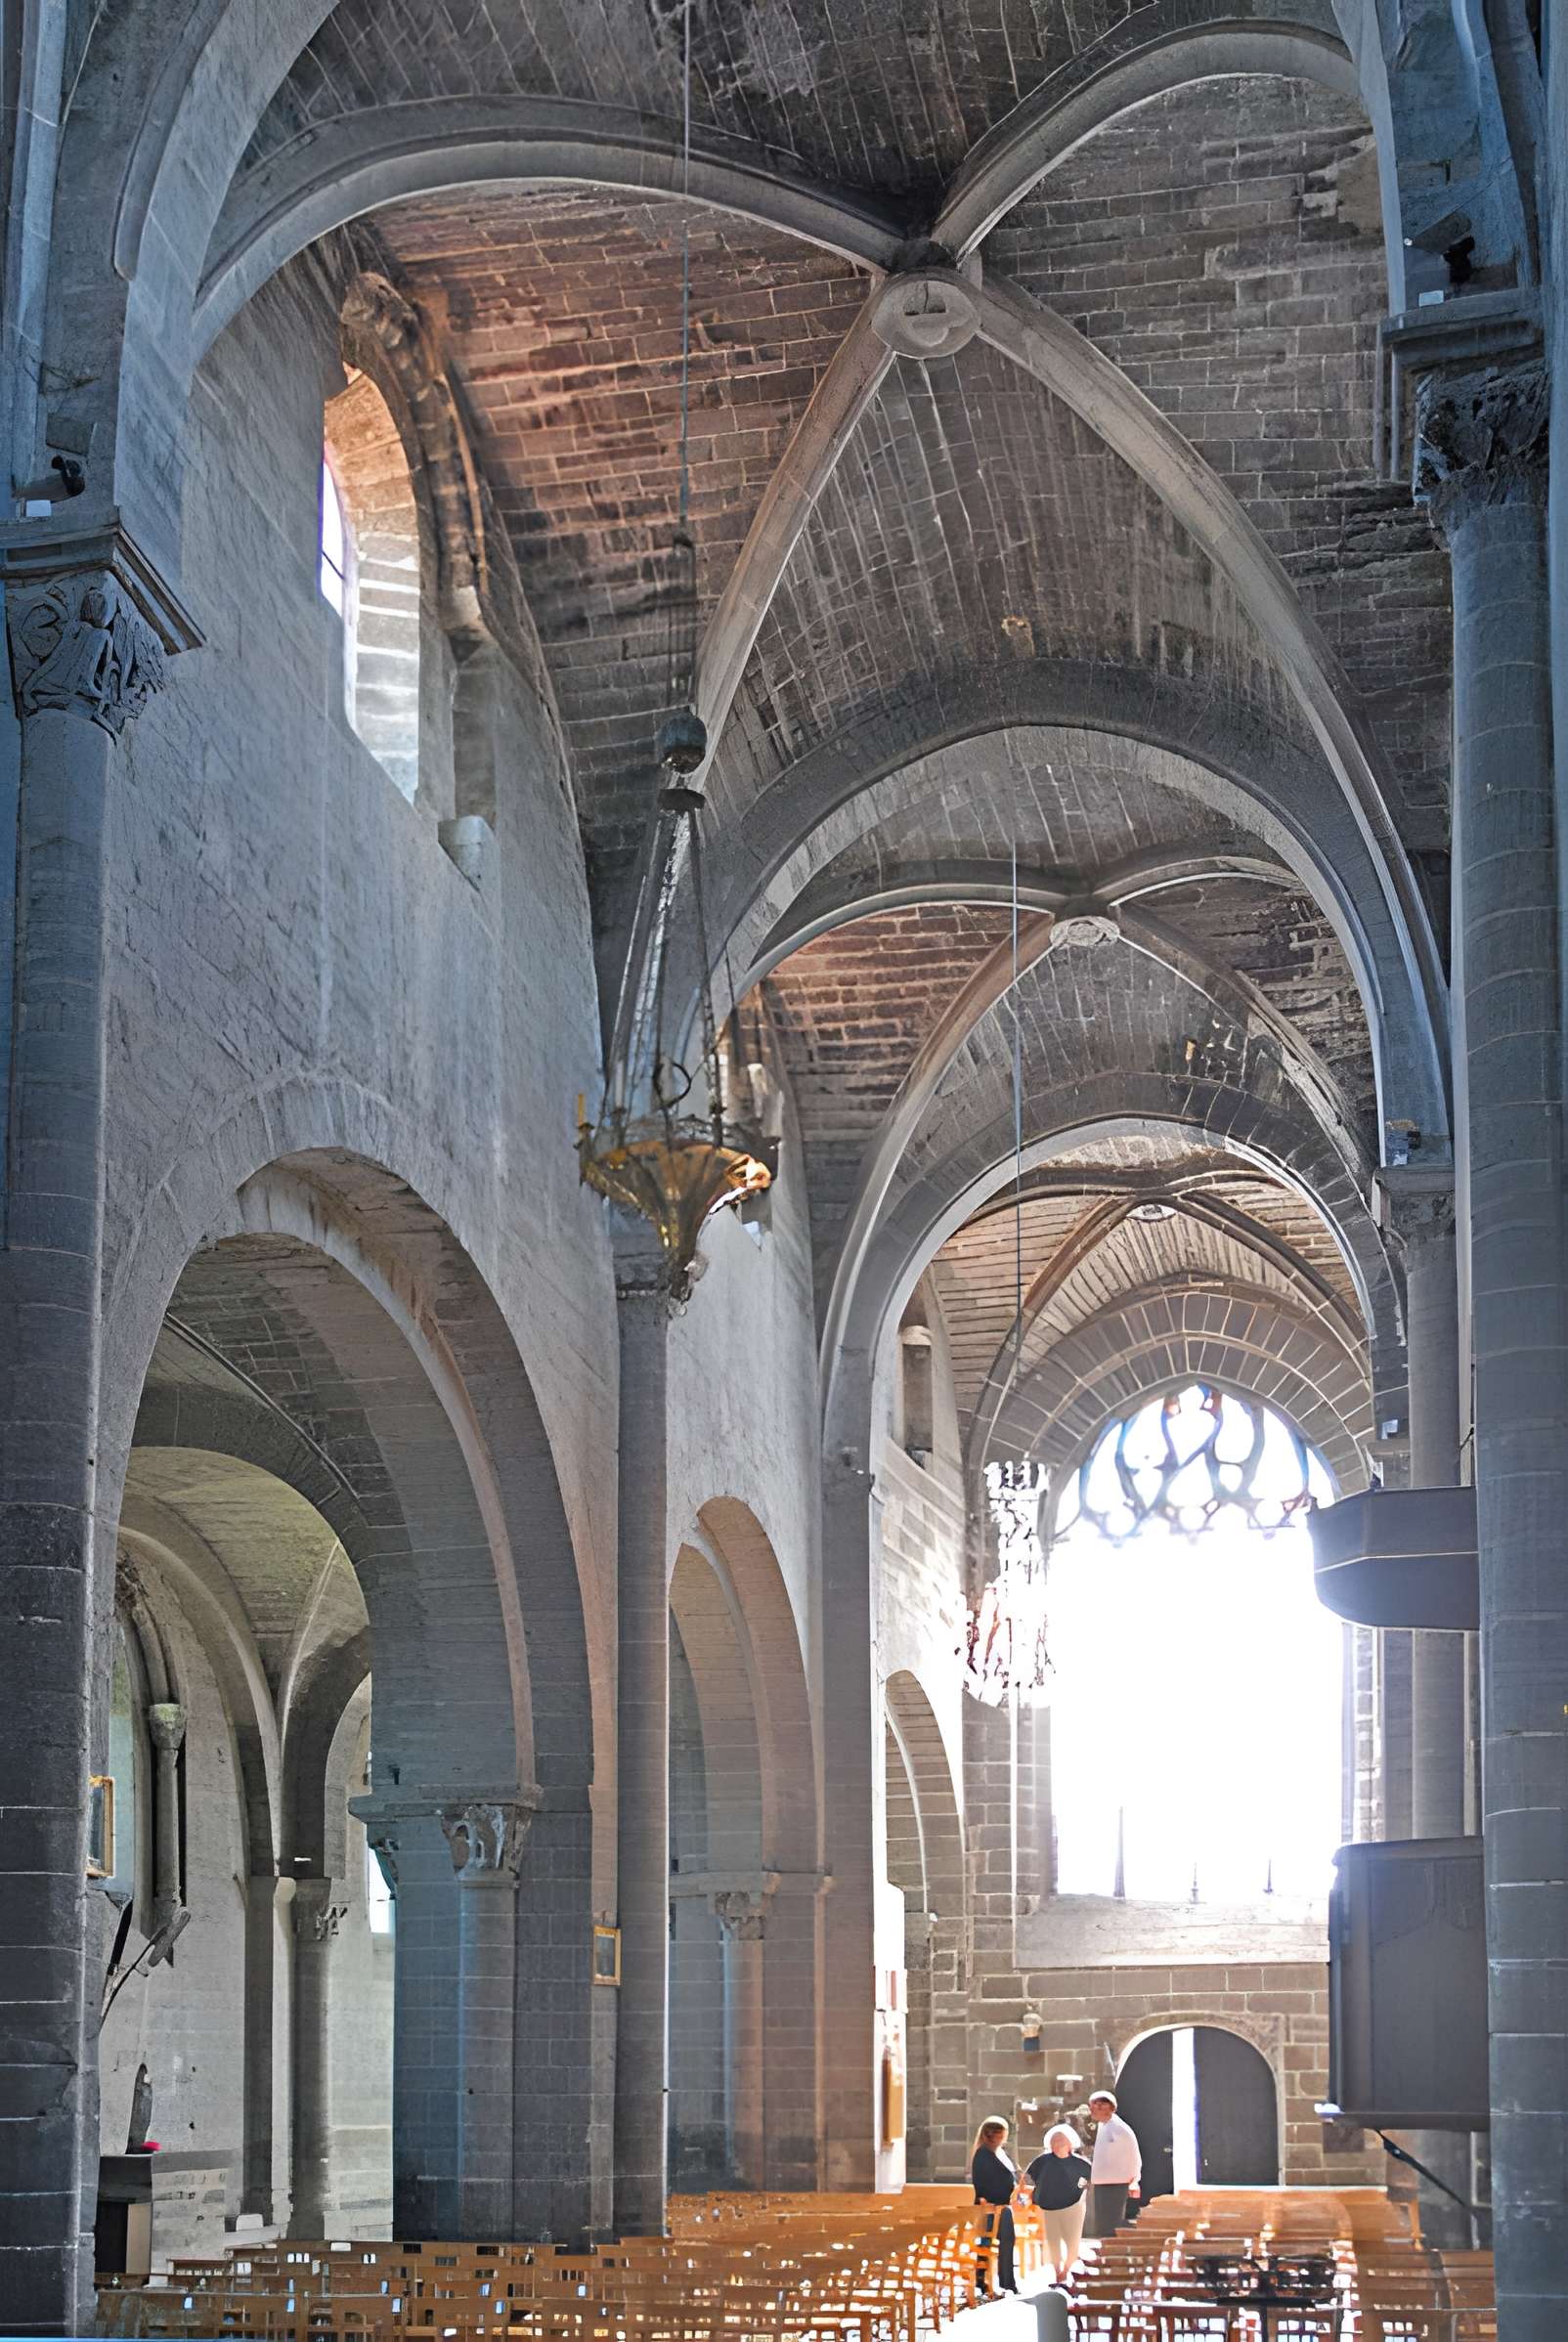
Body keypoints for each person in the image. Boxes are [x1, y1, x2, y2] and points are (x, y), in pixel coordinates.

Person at [1024, 2123, 1092, 2280]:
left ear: (1070, 2144)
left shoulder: (1080, 2163)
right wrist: (1025, 2197)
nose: (1058, 2144)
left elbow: (1089, 2180)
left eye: (1061, 2141)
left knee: (1072, 2241)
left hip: (1073, 2207)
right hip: (1048, 2207)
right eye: (1054, 2141)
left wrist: (1079, 2187)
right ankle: (1057, 2273)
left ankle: (1066, 2271)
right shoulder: (1042, 2161)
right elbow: (1027, 2180)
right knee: (1052, 2241)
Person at [970, 2116, 1020, 2295]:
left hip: (1003, 2206)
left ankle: (1007, 2282)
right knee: (985, 2244)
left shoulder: (999, 2152)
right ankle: (981, 2280)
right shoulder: (983, 2154)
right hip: (991, 2207)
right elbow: (982, 2183)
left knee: (1006, 2243)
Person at [1086, 2091, 1141, 2237]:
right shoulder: (1103, 2126)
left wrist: (1134, 2180)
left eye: (1095, 2106)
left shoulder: (1119, 2128)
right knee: (1103, 2224)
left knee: (1111, 2225)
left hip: (1116, 2183)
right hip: (1103, 2183)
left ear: (1106, 2107)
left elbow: (1133, 2154)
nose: (1091, 2110)